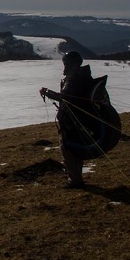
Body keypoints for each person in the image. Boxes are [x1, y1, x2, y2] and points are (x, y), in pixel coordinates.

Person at [39, 51, 94, 187]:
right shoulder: (83, 76)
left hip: (72, 122)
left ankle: (75, 181)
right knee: (72, 150)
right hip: (76, 121)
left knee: (68, 150)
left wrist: (48, 93)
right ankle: (76, 178)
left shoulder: (75, 79)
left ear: (73, 64)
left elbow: (67, 98)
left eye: (66, 64)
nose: (65, 67)